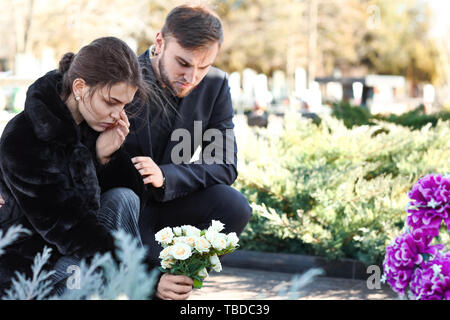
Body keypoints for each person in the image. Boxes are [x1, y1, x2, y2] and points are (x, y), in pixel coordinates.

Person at [0, 36, 193, 299]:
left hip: (74, 250)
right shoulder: (24, 137)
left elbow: (135, 199)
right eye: (111, 102)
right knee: (82, 268)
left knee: (123, 198)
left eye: (125, 105)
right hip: (31, 265)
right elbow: (69, 229)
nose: (118, 114)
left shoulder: (94, 122)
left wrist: (105, 158)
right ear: (80, 86)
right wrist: (148, 277)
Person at [125, 4, 253, 300]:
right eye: (182, 63)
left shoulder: (216, 85)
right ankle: (151, 282)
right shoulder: (122, 74)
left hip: (171, 203)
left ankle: (179, 277)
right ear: (159, 43)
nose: (192, 77)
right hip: (120, 207)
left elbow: (224, 164)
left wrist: (166, 177)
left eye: (203, 66)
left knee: (233, 206)